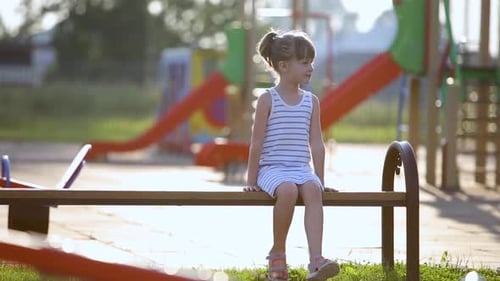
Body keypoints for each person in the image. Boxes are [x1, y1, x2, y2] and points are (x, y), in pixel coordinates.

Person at [244, 29, 340, 281]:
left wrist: (320, 180)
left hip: (300, 167)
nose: (311, 68)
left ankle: (316, 261)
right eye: (305, 62)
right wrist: (250, 181)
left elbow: (317, 144)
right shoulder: (267, 99)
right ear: (284, 66)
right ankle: (278, 253)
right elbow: (256, 143)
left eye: (311, 62)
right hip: (272, 169)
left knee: (312, 190)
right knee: (287, 190)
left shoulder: (311, 101)